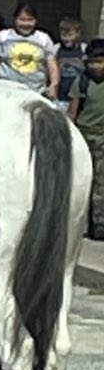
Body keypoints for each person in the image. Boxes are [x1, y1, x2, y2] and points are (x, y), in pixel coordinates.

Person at [68, 38, 104, 239]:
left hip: (102, 136)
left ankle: (99, 222)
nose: (95, 66)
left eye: (99, 61)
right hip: (84, 135)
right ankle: (80, 223)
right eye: (91, 62)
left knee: (101, 182)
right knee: (82, 180)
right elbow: (73, 111)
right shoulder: (81, 81)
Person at [0, 2, 59, 98]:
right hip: (6, 92)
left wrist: (54, 84)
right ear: (15, 19)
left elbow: (52, 65)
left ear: (36, 21)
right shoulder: (4, 37)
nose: (26, 24)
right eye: (22, 20)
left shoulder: (43, 39)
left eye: (30, 20)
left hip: (35, 93)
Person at [54, 15, 86, 107]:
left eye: (70, 35)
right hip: (62, 95)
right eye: (63, 35)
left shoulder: (83, 49)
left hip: (79, 96)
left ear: (78, 34)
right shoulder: (56, 49)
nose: (66, 39)